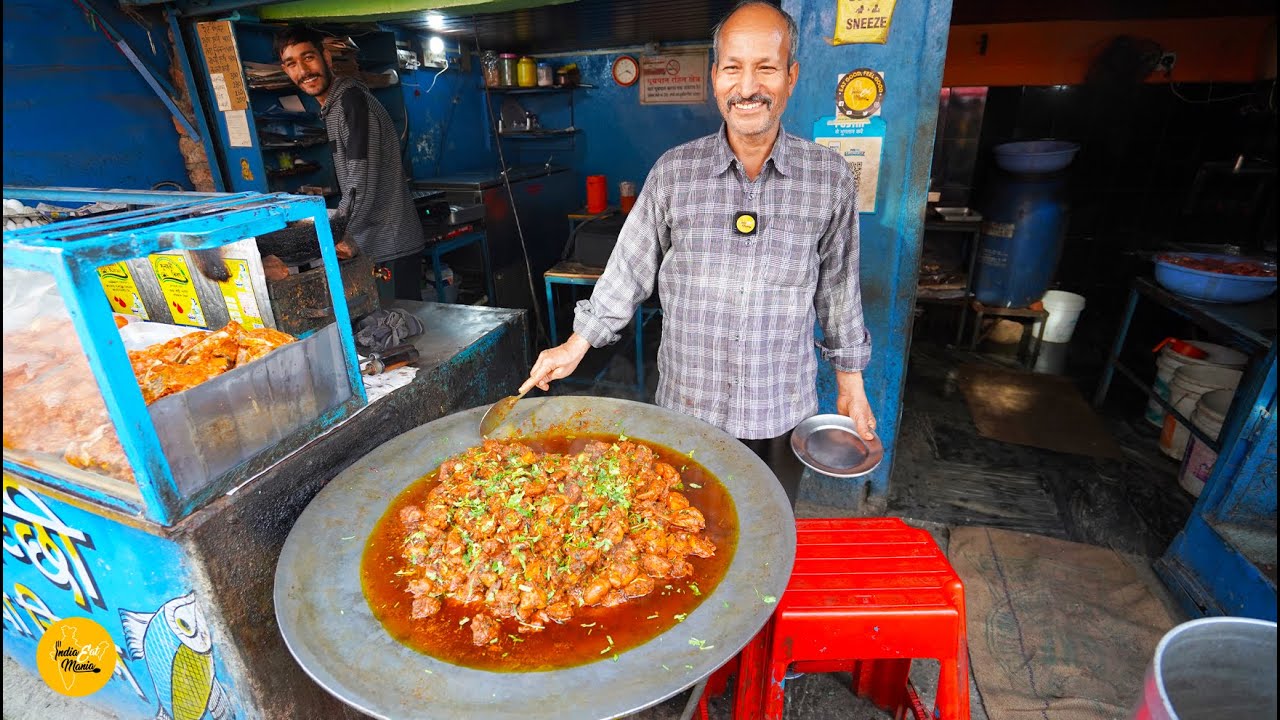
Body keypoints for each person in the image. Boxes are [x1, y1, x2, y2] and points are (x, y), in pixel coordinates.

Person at [519, 1, 876, 506]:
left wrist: (850, 382)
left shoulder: (830, 178)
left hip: (779, 411)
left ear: (791, 77)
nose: (748, 86)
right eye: (733, 67)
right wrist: (575, 345)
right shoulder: (673, 173)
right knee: (684, 541)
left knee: (767, 533)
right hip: (688, 411)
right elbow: (628, 269)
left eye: (766, 68)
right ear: (715, 78)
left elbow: (838, 290)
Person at [275, 26, 425, 301]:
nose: (303, 71)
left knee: (401, 331)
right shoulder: (334, 106)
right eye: (292, 64)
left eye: (308, 58)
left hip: (390, 245)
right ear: (286, 71)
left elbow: (360, 180)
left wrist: (334, 233)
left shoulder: (351, 102)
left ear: (327, 59)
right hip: (375, 244)